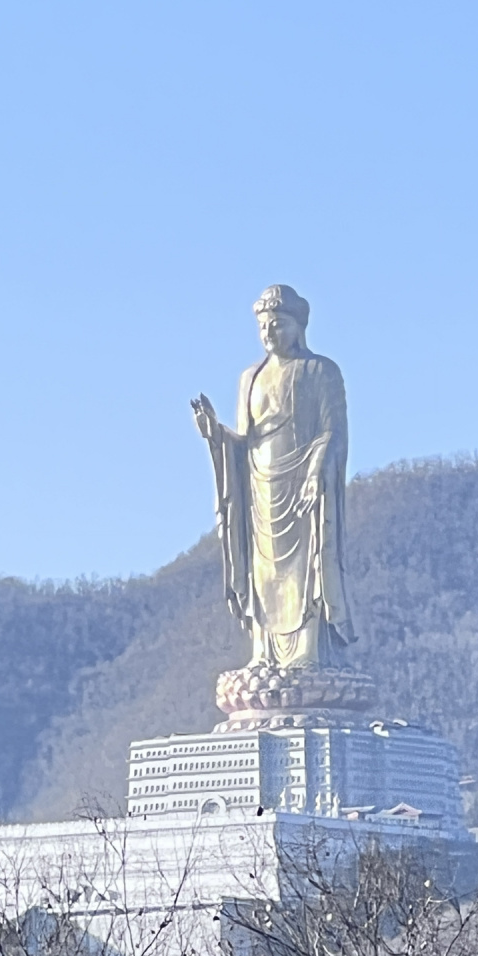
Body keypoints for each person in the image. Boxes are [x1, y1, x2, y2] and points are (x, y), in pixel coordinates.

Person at [192, 284, 355, 668]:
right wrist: (214, 432)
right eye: (263, 326)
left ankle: (308, 650)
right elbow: (245, 440)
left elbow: (333, 432)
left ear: (299, 326)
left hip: (304, 482)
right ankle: (264, 650)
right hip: (260, 485)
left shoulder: (320, 371)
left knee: (307, 567)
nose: (269, 333)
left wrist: (316, 473)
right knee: (261, 571)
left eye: (278, 324)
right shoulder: (251, 377)